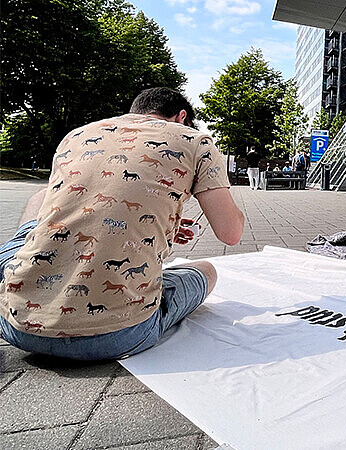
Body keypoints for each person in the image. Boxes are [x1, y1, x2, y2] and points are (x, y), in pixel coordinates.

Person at [0, 87, 244, 360]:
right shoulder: (196, 140)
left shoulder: (77, 135)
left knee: (41, 196)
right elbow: (230, 233)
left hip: (16, 324)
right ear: (181, 117)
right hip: (118, 335)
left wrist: (168, 222)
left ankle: (17, 271)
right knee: (207, 270)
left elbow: (78, 206)